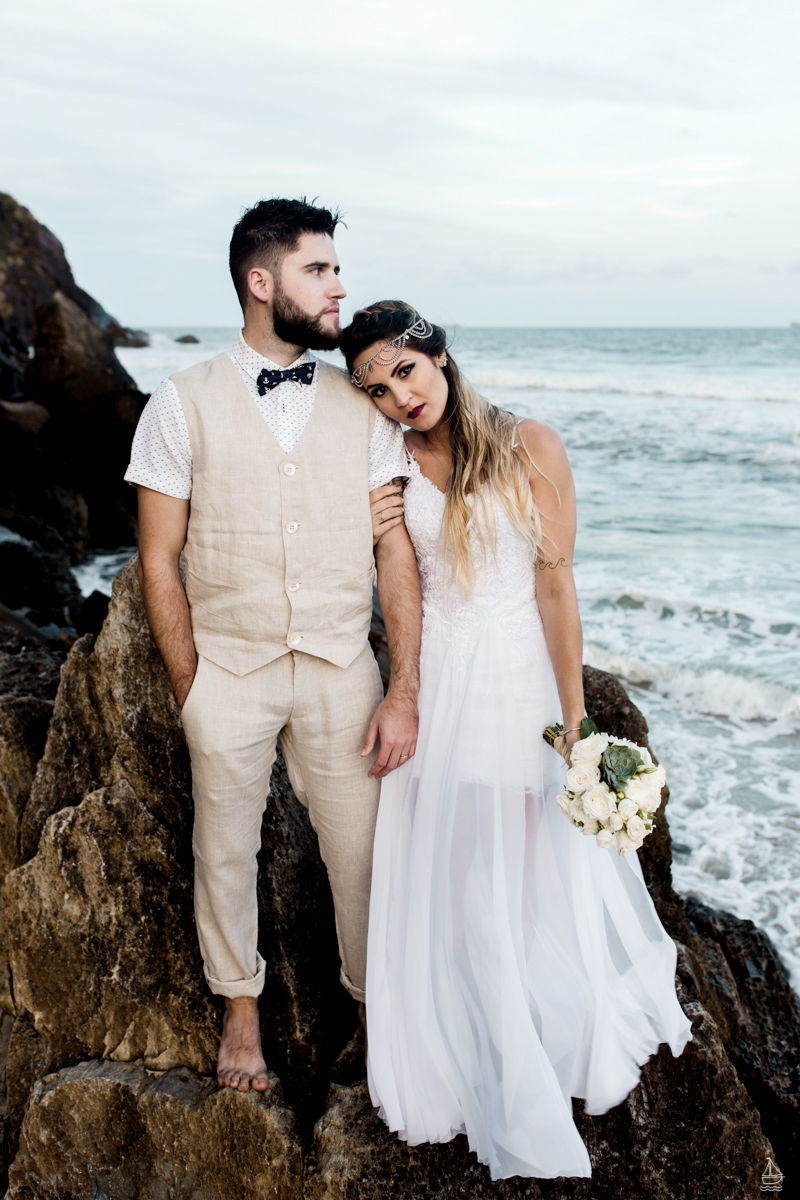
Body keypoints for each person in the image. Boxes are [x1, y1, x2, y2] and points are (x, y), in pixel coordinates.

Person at [340, 300, 693, 1181]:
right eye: (375, 388)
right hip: (446, 678)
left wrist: (575, 724)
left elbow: (556, 588)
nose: (397, 398)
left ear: (441, 356)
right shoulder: (388, 465)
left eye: (406, 372)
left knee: (525, 860)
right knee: (456, 869)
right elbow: (402, 589)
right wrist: (404, 693)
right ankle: (474, 1036)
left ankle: (531, 1029)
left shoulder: (530, 443)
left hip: (519, 679)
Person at [125, 202, 422, 1093]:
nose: (338, 288)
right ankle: (240, 1013)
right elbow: (158, 556)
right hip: (231, 668)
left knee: (364, 855)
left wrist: (401, 688)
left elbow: (394, 547)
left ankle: (376, 1017)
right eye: (318, 271)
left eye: (337, 270)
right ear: (261, 283)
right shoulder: (180, 403)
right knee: (223, 849)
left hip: (341, 668)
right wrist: (191, 685)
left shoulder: (362, 403)